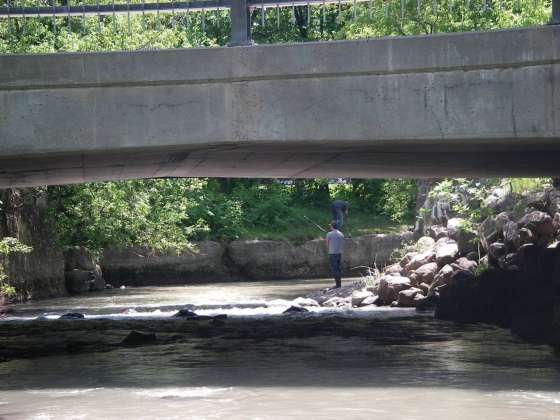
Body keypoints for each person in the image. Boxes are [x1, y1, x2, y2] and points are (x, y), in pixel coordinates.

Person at [326, 222, 344, 288]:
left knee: (334, 269)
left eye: (330, 226)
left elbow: (327, 244)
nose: (330, 227)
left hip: (333, 254)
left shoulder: (329, 234)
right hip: (339, 253)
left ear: (332, 227)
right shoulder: (341, 234)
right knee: (338, 268)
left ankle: (337, 285)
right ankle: (339, 283)